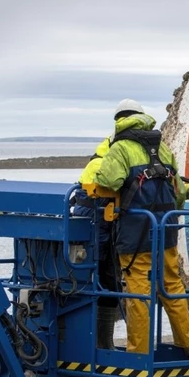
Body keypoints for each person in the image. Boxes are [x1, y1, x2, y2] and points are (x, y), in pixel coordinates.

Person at [93, 99, 189, 355]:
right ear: (143, 118)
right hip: (165, 230)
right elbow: (176, 193)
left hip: (135, 233)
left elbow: (110, 182)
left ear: (119, 121)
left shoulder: (120, 148)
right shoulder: (162, 149)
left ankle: (139, 352)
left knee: (139, 291)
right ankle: (188, 340)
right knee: (171, 283)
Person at [72, 134, 121, 349]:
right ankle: (101, 343)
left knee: (99, 282)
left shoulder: (98, 161)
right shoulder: (105, 165)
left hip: (93, 229)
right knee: (104, 281)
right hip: (97, 229)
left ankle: (98, 342)